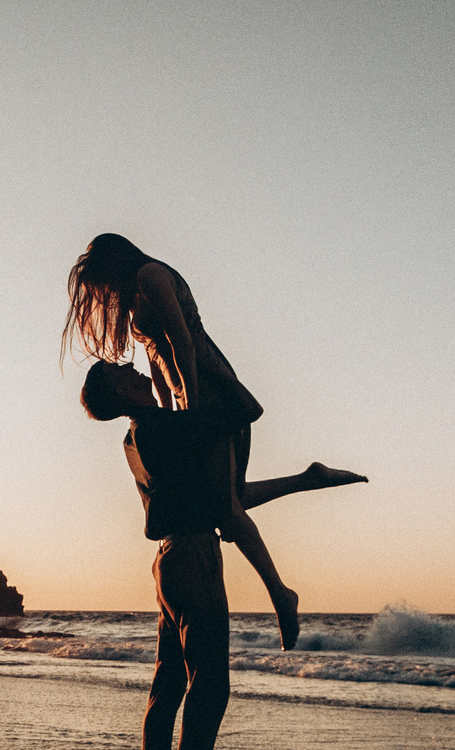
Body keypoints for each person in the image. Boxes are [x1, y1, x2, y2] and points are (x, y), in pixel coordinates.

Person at [80, 359, 362, 750]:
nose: (131, 364)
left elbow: (226, 498)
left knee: (168, 687)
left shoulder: (136, 438)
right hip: (194, 559)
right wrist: (198, 359)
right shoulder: (163, 427)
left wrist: (304, 482)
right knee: (209, 688)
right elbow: (244, 410)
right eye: (120, 368)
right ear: (120, 390)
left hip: (169, 566)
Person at [65, 233, 358, 649]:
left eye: (100, 283)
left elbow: (185, 343)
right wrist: (167, 412)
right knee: (227, 500)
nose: (103, 294)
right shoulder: (136, 297)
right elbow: (156, 359)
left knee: (224, 507)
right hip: (188, 395)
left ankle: (280, 593)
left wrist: (192, 410)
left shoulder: (151, 274)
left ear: (114, 262)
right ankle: (306, 481)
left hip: (209, 389)